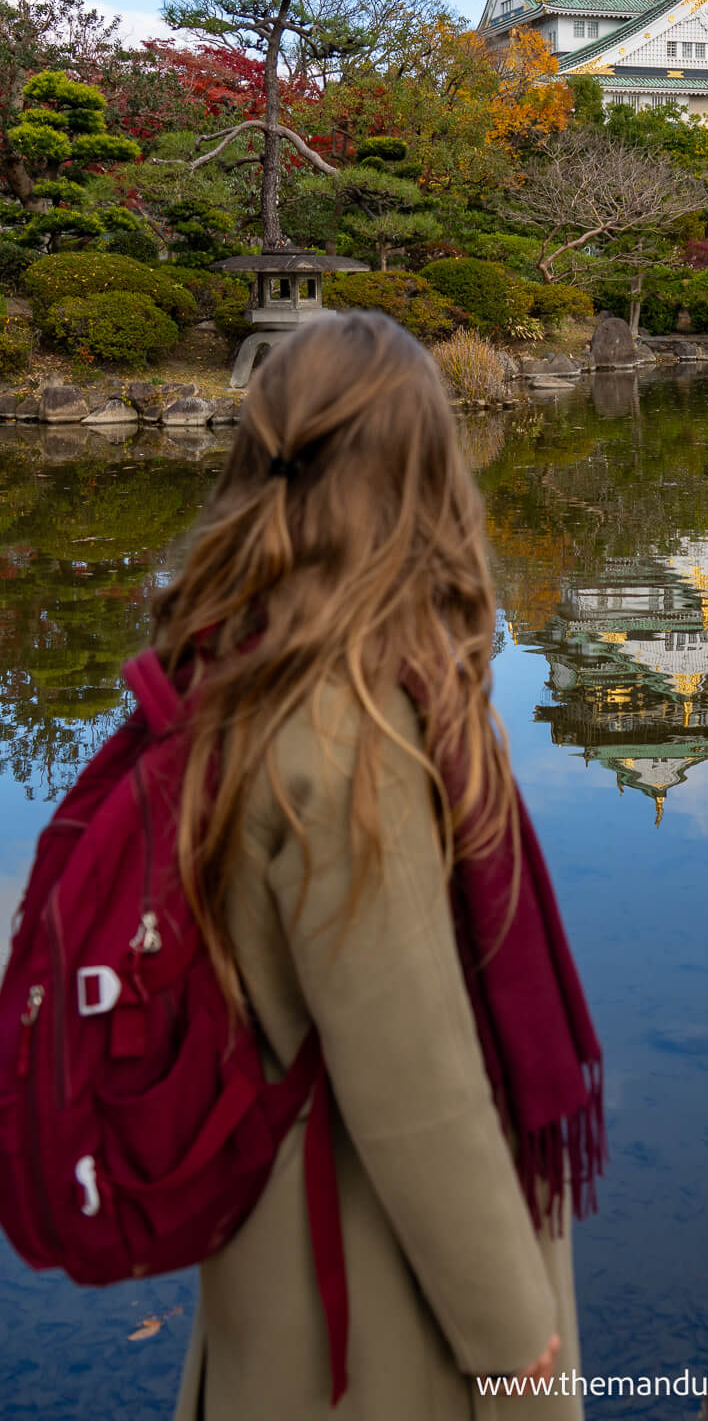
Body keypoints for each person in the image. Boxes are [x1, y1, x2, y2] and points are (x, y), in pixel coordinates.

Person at [155, 312, 600, 1421]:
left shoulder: (225, 667)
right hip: (370, 1281)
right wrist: (515, 1340)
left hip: (262, 1225)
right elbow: (416, 1083)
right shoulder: (358, 729)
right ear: (422, 478)